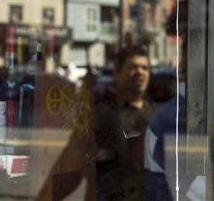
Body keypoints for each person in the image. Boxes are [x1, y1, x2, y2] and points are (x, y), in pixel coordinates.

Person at [38, 45, 159, 201]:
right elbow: (69, 166)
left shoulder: (157, 116)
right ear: (117, 72)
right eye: (133, 67)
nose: (140, 72)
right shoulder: (99, 115)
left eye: (145, 68)